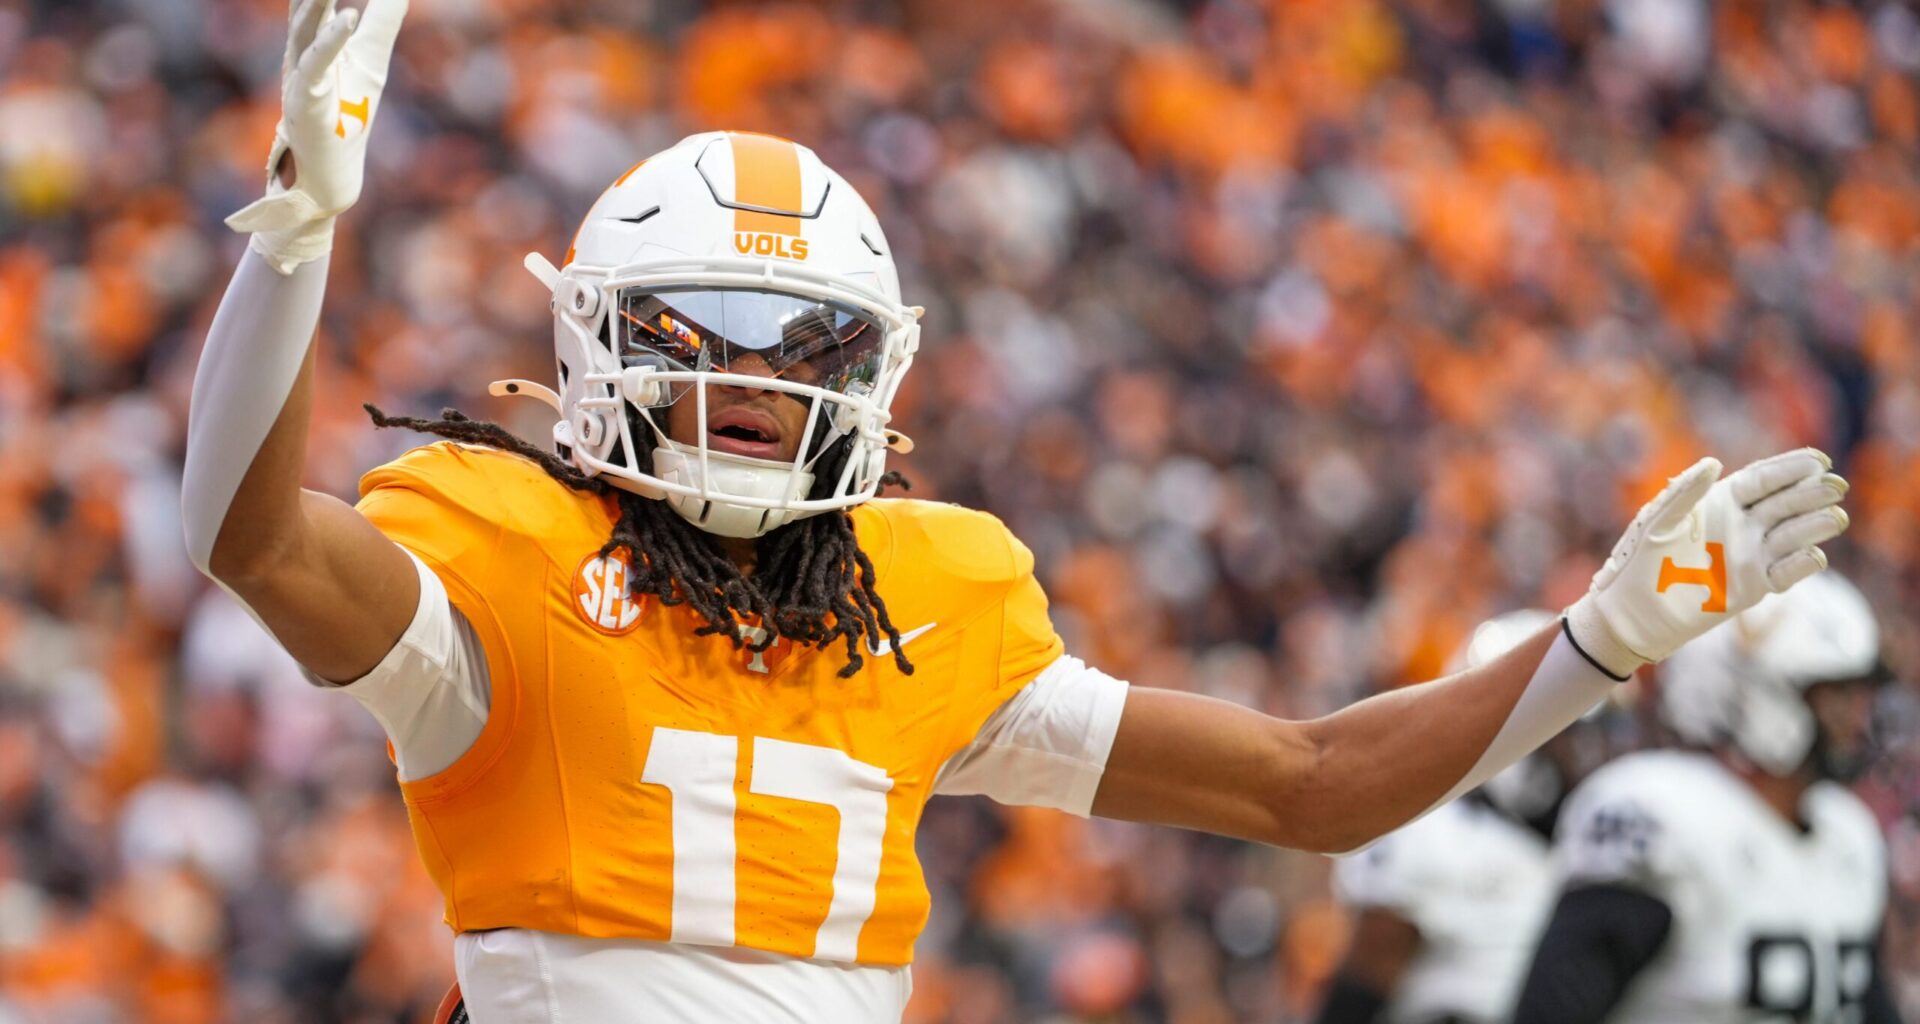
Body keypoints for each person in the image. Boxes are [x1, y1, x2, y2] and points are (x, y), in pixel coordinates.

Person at [180, 3, 1854, 1020]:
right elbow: (249, 535)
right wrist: (297, 235)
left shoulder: (930, 594)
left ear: (880, 368)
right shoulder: (508, 553)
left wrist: (1599, 636)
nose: (758, 385)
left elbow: (1314, 782)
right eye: (708, 337)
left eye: (810, 345)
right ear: (605, 347)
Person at [1512, 570, 1901, 1023]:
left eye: (1862, 694)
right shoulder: (1660, 816)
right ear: (1753, 692)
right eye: (1838, 695)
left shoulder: (1848, 833)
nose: (1859, 718)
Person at [1316, 609, 1617, 1024]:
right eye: (1565, 733)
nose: (1581, 754)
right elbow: (1362, 984)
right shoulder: (1433, 836)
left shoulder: (1578, 851)